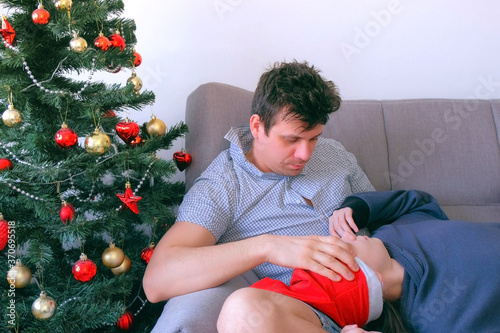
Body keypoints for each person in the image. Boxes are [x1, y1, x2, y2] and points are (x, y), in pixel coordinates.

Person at [143, 61, 375, 332]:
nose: (306, 154)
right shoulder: (223, 184)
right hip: (308, 316)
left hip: (388, 286)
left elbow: (384, 210)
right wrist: (267, 247)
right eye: (291, 140)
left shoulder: (334, 153)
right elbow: (157, 280)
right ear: (257, 126)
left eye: (313, 138)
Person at [238, 189, 500, 332]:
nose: (346, 236)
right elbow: (248, 310)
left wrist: (356, 208)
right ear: (367, 277)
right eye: (342, 249)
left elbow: (418, 202)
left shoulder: (388, 233)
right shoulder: (436, 317)